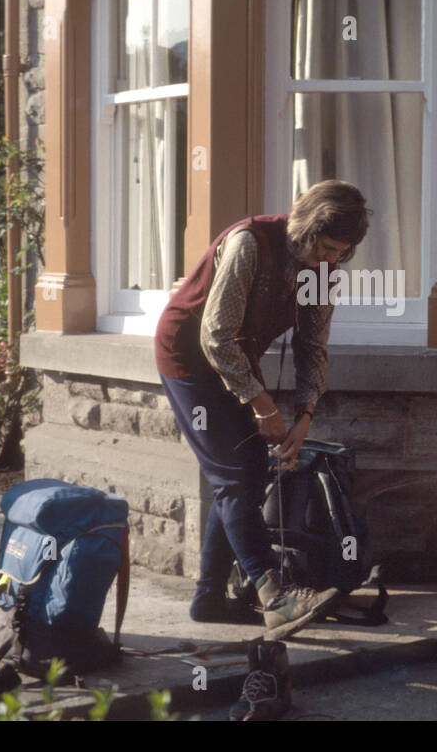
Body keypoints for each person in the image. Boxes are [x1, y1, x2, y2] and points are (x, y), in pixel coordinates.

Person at [155, 180, 369, 642]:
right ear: (307, 229)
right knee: (236, 472)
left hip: (237, 363)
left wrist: (304, 415)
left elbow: (313, 347)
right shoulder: (249, 243)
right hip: (187, 357)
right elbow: (215, 335)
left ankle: (209, 598)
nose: (331, 259)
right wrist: (263, 405)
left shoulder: (322, 271)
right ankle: (277, 597)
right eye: (327, 247)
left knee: (245, 472)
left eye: (341, 252)